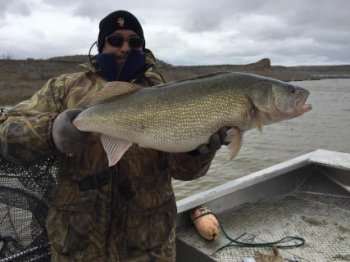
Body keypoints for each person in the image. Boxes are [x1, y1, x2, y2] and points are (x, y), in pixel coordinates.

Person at [0, 10, 229, 261]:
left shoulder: (163, 93)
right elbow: (5, 130)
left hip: (148, 250)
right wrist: (51, 131)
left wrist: (199, 151)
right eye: (116, 40)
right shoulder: (64, 88)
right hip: (76, 248)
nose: (125, 48)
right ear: (101, 44)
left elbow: (185, 172)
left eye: (135, 42)